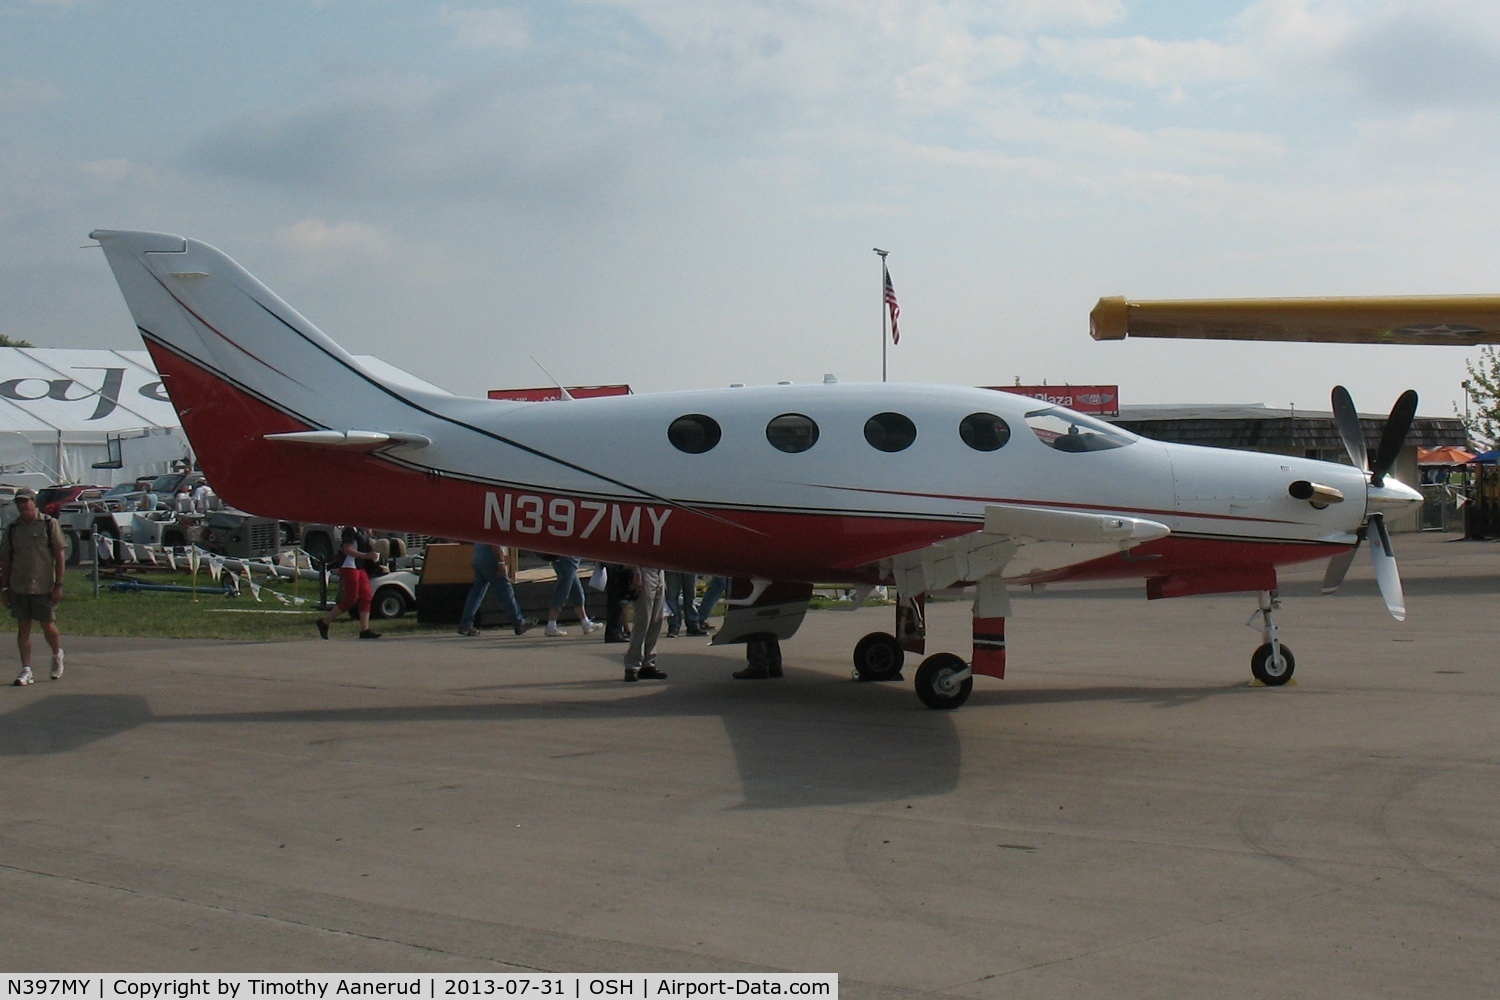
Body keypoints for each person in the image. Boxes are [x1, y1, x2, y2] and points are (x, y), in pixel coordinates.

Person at [1, 487, 66, 685]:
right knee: (23, 626)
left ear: (33, 502)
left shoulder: (48, 524)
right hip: (19, 584)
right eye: (18, 502)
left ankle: (57, 654)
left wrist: (59, 585)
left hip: (43, 584)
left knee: (47, 624)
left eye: (25, 501)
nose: (22, 505)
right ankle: (26, 669)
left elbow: (59, 555)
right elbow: (5, 561)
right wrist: (4, 588)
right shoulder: (12, 529)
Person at [316, 525, 383, 640]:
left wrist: (369, 536)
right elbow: (347, 550)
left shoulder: (363, 531)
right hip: (349, 566)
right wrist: (366, 556)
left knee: (366, 597)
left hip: (359, 566)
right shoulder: (350, 530)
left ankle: (364, 629)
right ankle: (325, 622)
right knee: (351, 599)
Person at [457, 543, 537, 637]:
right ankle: (518, 623)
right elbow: (495, 544)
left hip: (478, 557)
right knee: (506, 592)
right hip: (491, 560)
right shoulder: (496, 527)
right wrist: (501, 562)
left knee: (476, 594)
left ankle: (466, 624)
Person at [623, 565, 667, 682]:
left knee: (656, 620)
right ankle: (632, 665)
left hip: (658, 569)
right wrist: (637, 573)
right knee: (642, 620)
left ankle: (648, 663)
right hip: (644, 570)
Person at [543, 555, 599, 637]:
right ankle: (551, 624)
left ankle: (585, 622)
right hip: (568, 559)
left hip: (569, 559)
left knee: (576, 590)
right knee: (563, 590)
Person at [663, 571, 704, 637]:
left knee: (691, 596)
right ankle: (674, 627)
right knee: (671, 597)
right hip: (672, 565)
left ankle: (693, 626)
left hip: (690, 565)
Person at [602, 562, 635, 643]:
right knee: (616, 600)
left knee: (617, 600)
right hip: (615, 565)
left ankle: (616, 631)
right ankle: (614, 632)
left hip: (615, 564)